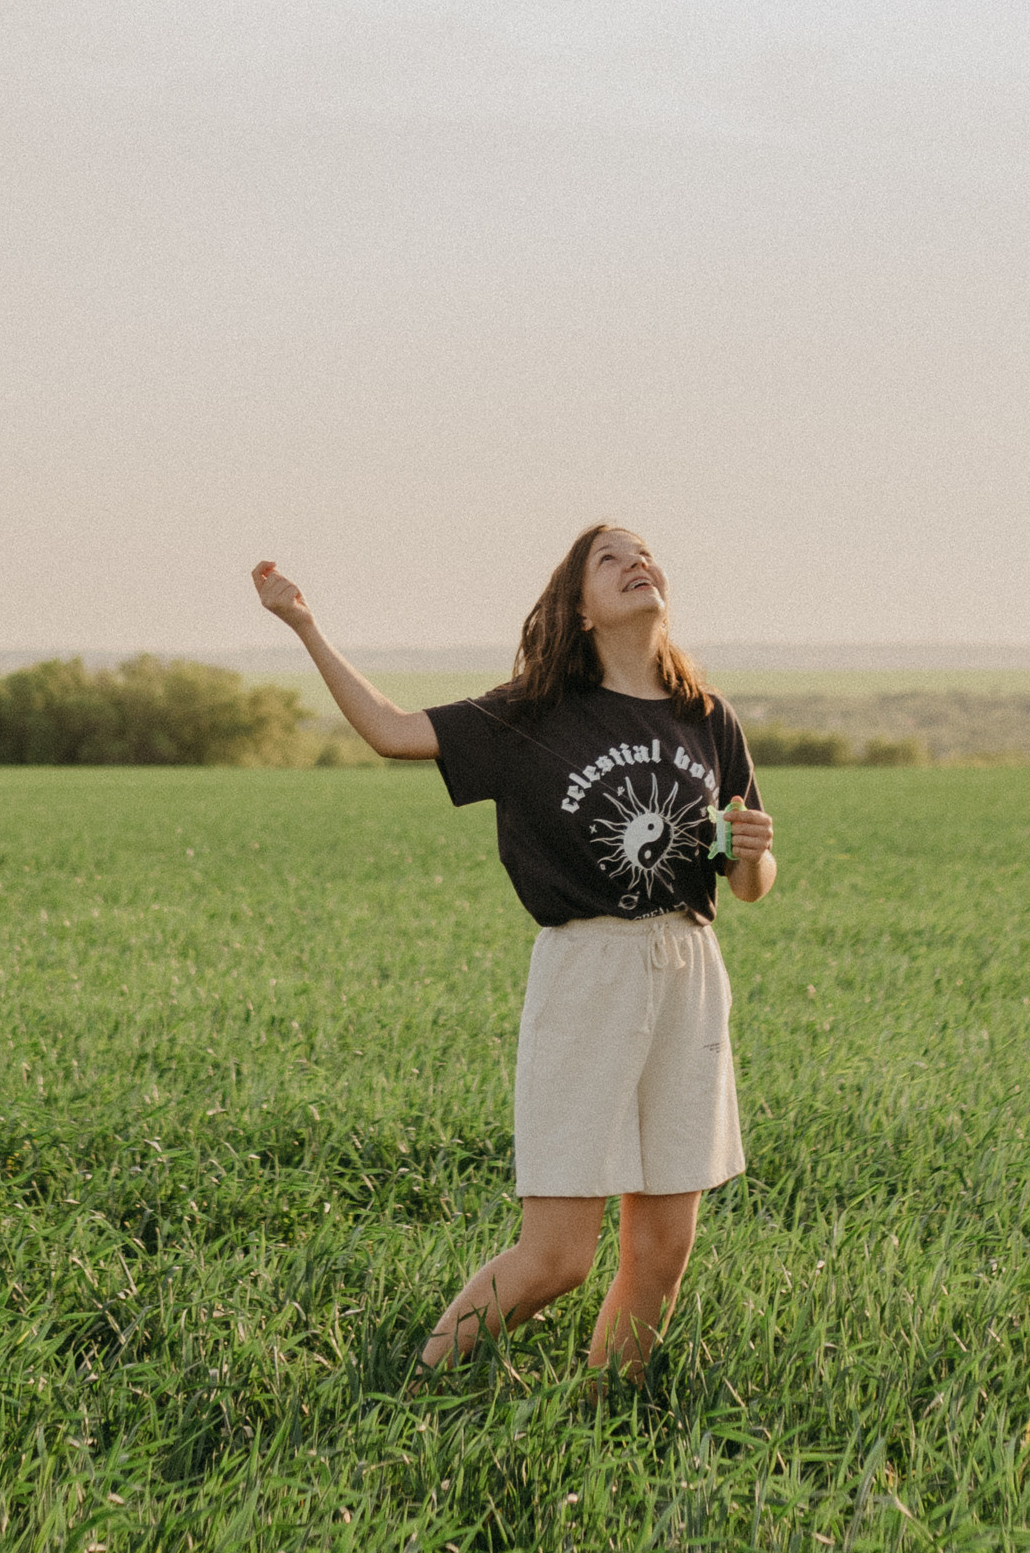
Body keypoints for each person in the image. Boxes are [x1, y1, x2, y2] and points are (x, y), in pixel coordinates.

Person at [248, 523, 775, 1377]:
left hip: (689, 973)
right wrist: (306, 626)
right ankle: (414, 1389)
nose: (638, 564)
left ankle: (610, 1422)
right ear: (580, 607)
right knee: (559, 1257)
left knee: (662, 1254)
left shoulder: (705, 718)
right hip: (588, 974)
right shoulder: (532, 714)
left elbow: (748, 884)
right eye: (612, 559)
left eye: (644, 553)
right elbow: (391, 730)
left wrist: (753, 851)